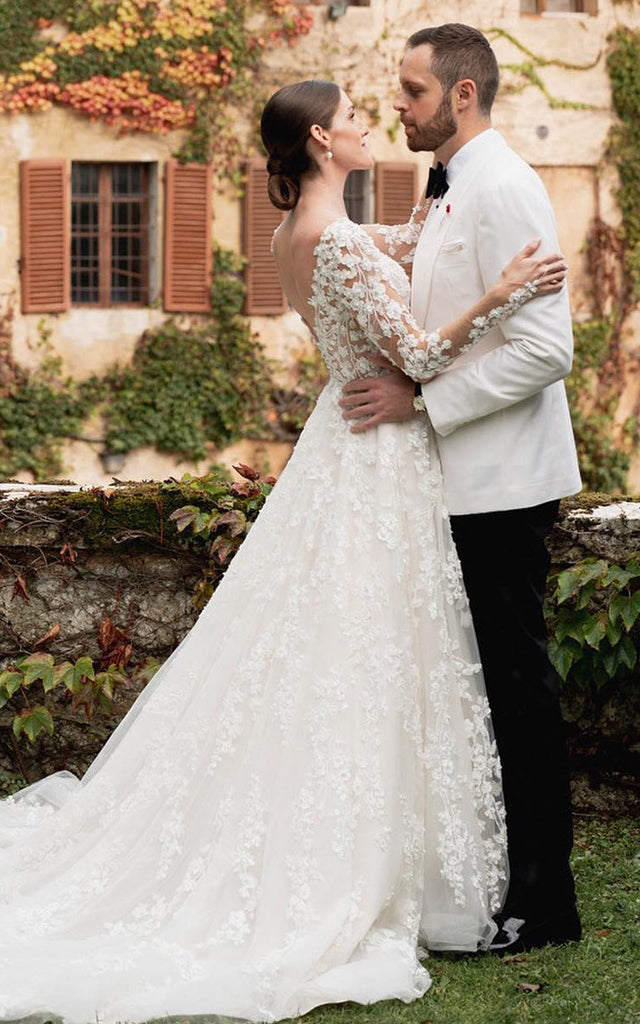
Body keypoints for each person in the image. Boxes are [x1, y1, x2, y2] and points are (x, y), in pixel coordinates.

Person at [0, 80, 567, 1024]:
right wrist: (501, 294)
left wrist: (443, 199)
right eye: (353, 117)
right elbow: (420, 356)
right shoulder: (334, 242)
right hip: (377, 453)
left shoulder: (297, 234)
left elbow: (401, 247)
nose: (369, 122)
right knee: (368, 653)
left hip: (342, 448)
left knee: (337, 652)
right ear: (320, 139)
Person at [339, 24, 583, 954]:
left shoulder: (506, 186)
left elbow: (546, 350)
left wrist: (422, 404)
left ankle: (546, 903)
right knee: (480, 689)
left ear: (463, 95)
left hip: (503, 481)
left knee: (518, 688)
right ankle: (494, 877)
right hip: (457, 481)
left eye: (412, 91)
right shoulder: (446, 186)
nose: (399, 105)